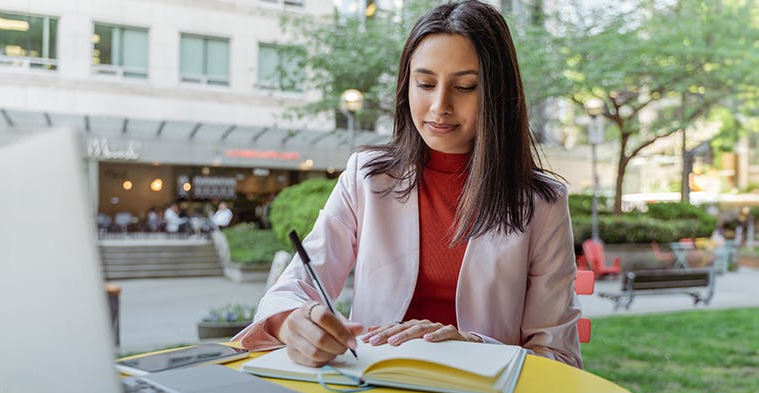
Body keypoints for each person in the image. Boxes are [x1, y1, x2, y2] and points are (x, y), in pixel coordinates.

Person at [234, 0, 581, 369]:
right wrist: (293, 323)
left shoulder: (541, 203)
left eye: (465, 87)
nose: (439, 106)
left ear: (498, 95)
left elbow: (557, 356)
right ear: (406, 86)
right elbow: (293, 287)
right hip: (372, 387)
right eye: (426, 84)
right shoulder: (366, 177)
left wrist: (473, 346)